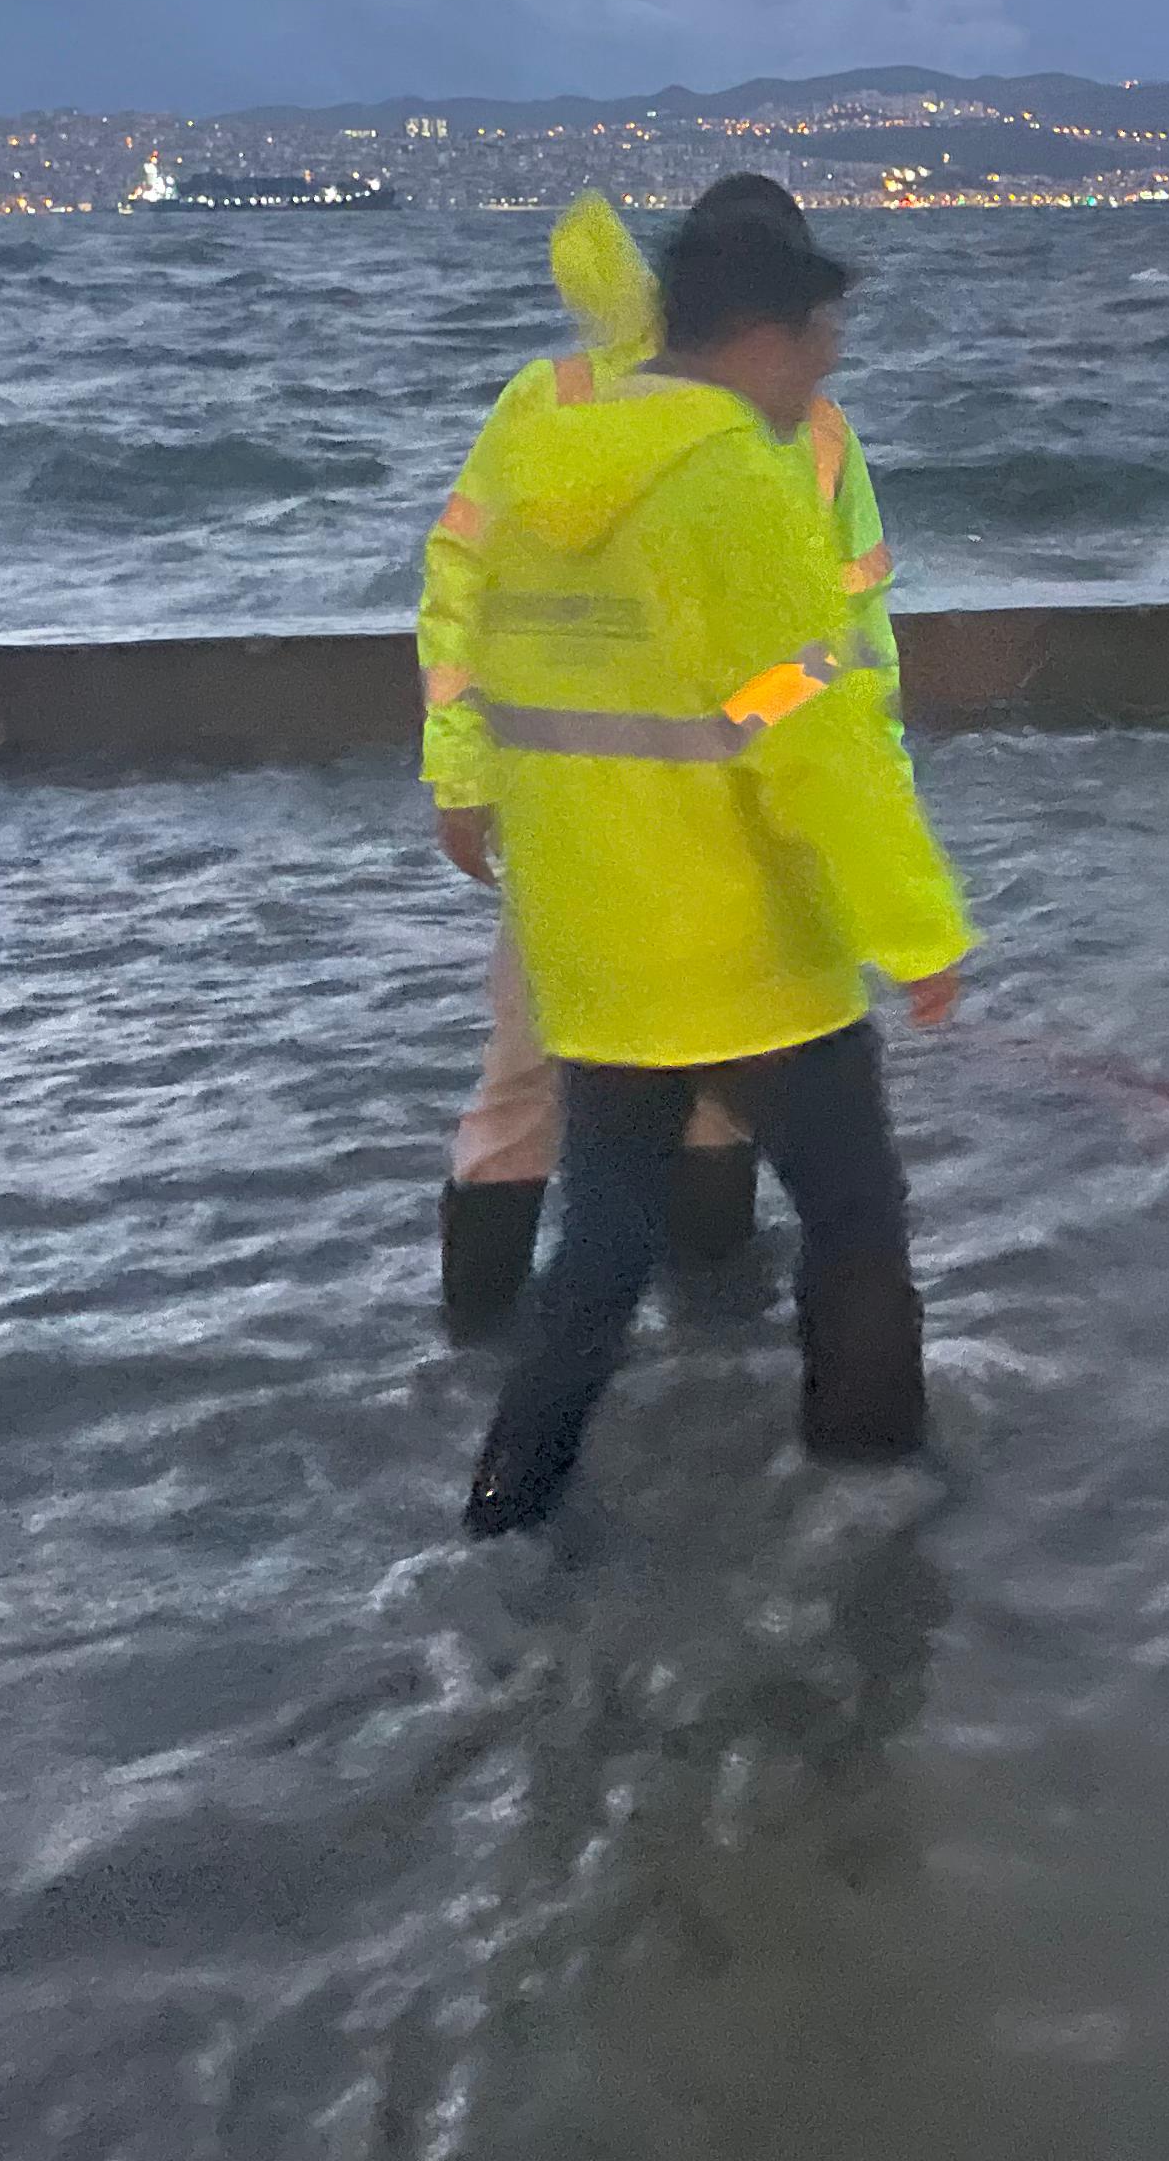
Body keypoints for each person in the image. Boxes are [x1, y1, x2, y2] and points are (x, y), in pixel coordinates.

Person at [425, 196, 972, 1536]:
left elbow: (488, 662)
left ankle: (509, 1499)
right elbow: (816, 736)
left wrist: (462, 783)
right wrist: (917, 929)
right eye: (819, 340)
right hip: (747, 949)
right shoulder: (738, 485)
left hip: (597, 948)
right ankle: (869, 1492)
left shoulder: (548, 462)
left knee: (599, 1255)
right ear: (764, 335)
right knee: (855, 1216)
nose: (828, 370)